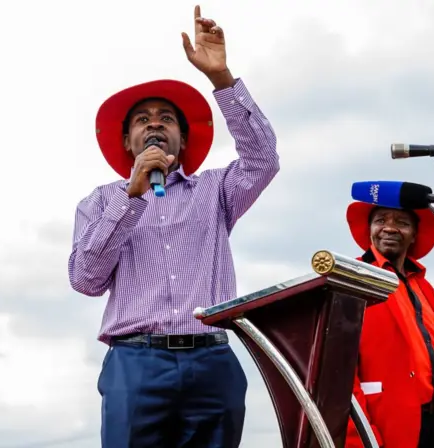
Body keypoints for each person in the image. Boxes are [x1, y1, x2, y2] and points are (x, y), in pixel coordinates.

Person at [67, 6, 279, 447]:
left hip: (212, 361)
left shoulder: (216, 190)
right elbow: (86, 279)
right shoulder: (101, 201)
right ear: (128, 141)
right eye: (143, 120)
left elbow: (264, 160)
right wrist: (133, 198)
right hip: (135, 362)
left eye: (166, 119)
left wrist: (222, 78)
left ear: (184, 138)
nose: (155, 125)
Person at [344, 200, 434, 448]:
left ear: (414, 236)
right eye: (381, 221)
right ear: (369, 230)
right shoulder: (350, 279)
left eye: (402, 223)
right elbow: (339, 374)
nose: (390, 228)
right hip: (385, 425)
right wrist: (361, 439)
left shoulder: (426, 289)